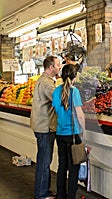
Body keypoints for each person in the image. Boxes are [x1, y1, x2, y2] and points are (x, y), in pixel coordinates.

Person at [52, 64, 85, 199]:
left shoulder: (55, 91)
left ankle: (60, 195)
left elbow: (55, 111)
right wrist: (84, 131)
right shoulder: (74, 91)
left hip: (60, 133)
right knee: (73, 168)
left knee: (62, 166)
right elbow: (80, 114)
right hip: (73, 134)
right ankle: (71, 196)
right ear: (74, 77)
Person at [30, 55, 61, 199]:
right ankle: (41, 194)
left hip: (43, 125)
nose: (59, 67)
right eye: (58, 65)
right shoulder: (46, 83)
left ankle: (44, 190)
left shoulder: (45, 81)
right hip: (45, 126)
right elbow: (58, 100)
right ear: (51, 67)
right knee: (44, 161)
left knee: (45, 159)